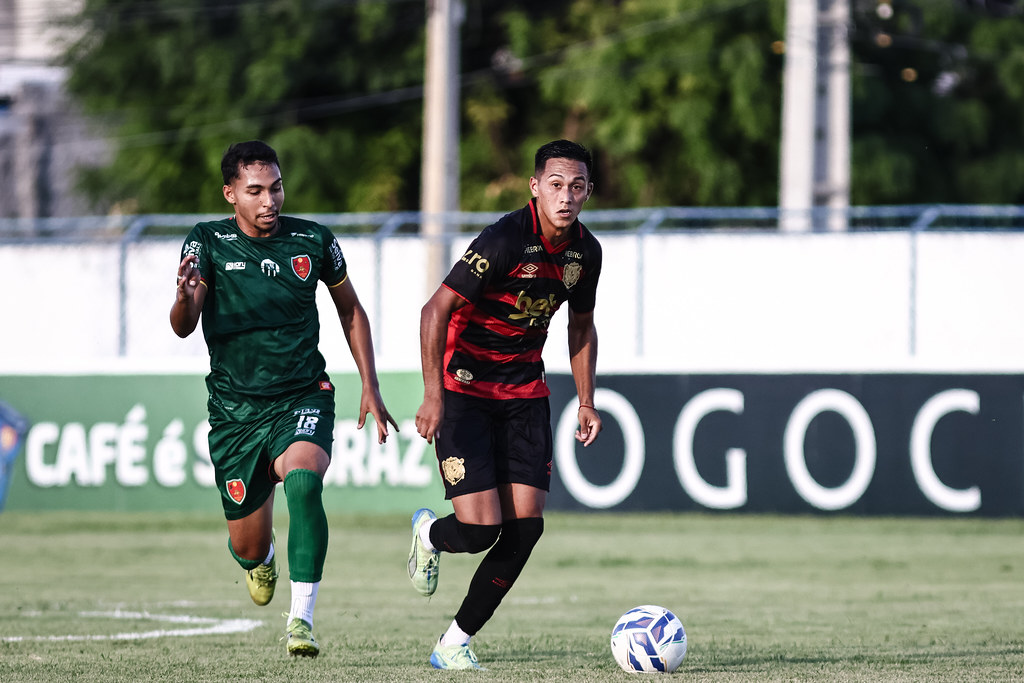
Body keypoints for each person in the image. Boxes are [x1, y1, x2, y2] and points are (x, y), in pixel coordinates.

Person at [170, 140, 397, 658]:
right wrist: (184, 299)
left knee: (303, 483)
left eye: (275, 187)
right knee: (247, 547)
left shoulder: (313, 240)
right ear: (231, 194)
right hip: (234, 411)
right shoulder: (206, 241)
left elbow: (351, 310)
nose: (269, 199)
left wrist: (370, 383)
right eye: (255, 191)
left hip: (302, 393)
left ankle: (302, 621)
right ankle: (262, 557)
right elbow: (184, 326)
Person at [408, 139, 603, 670]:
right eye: (556, 185)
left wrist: (587, 400)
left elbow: (580, 325)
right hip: (465, 390)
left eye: (577, 186)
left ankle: (452, 643)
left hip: (524, 395)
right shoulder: (503, 240)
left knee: (526, 528)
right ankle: (429, 533)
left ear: (588, 192)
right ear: (536, 187)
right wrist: (432, 395)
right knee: (478, 531)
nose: (566, 197)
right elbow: (434, 311)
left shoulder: (586, 254)